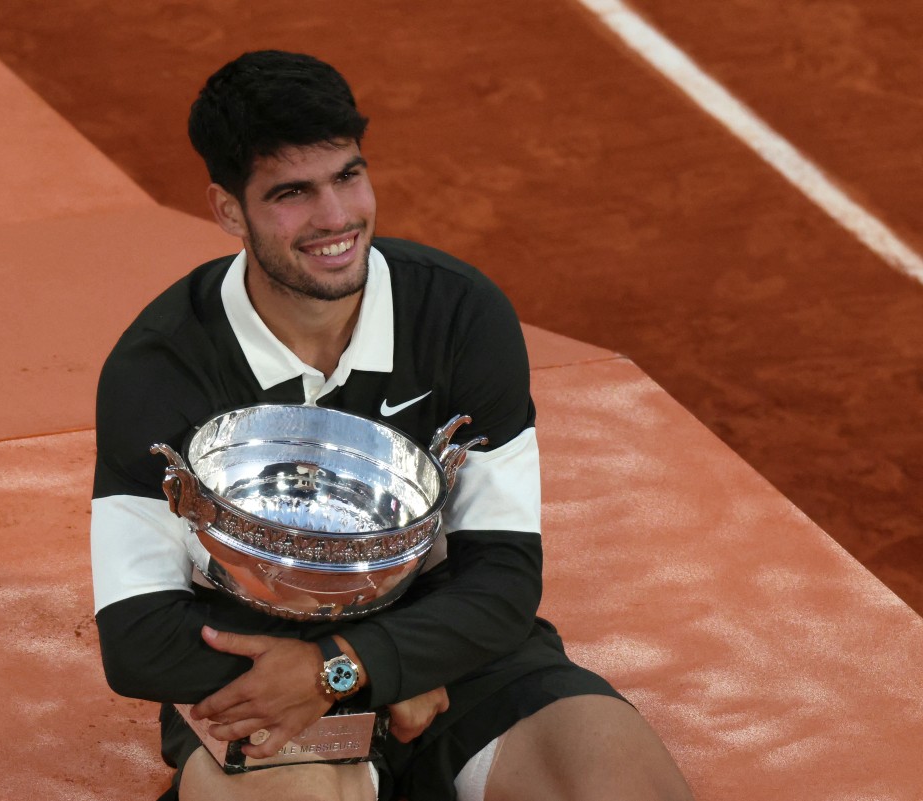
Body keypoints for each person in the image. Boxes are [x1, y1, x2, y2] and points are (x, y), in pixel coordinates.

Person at [91, 50, 694, 801]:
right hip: (253, 674)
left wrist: (362, 664)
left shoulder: (460, 317)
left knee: (623, 785)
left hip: (444, 650)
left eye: (347, 175)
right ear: (228, 211)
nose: (336, 217)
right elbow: (136, 635)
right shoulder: (161, 367)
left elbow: (504, 576)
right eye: (292, 193)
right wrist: (340, 678)